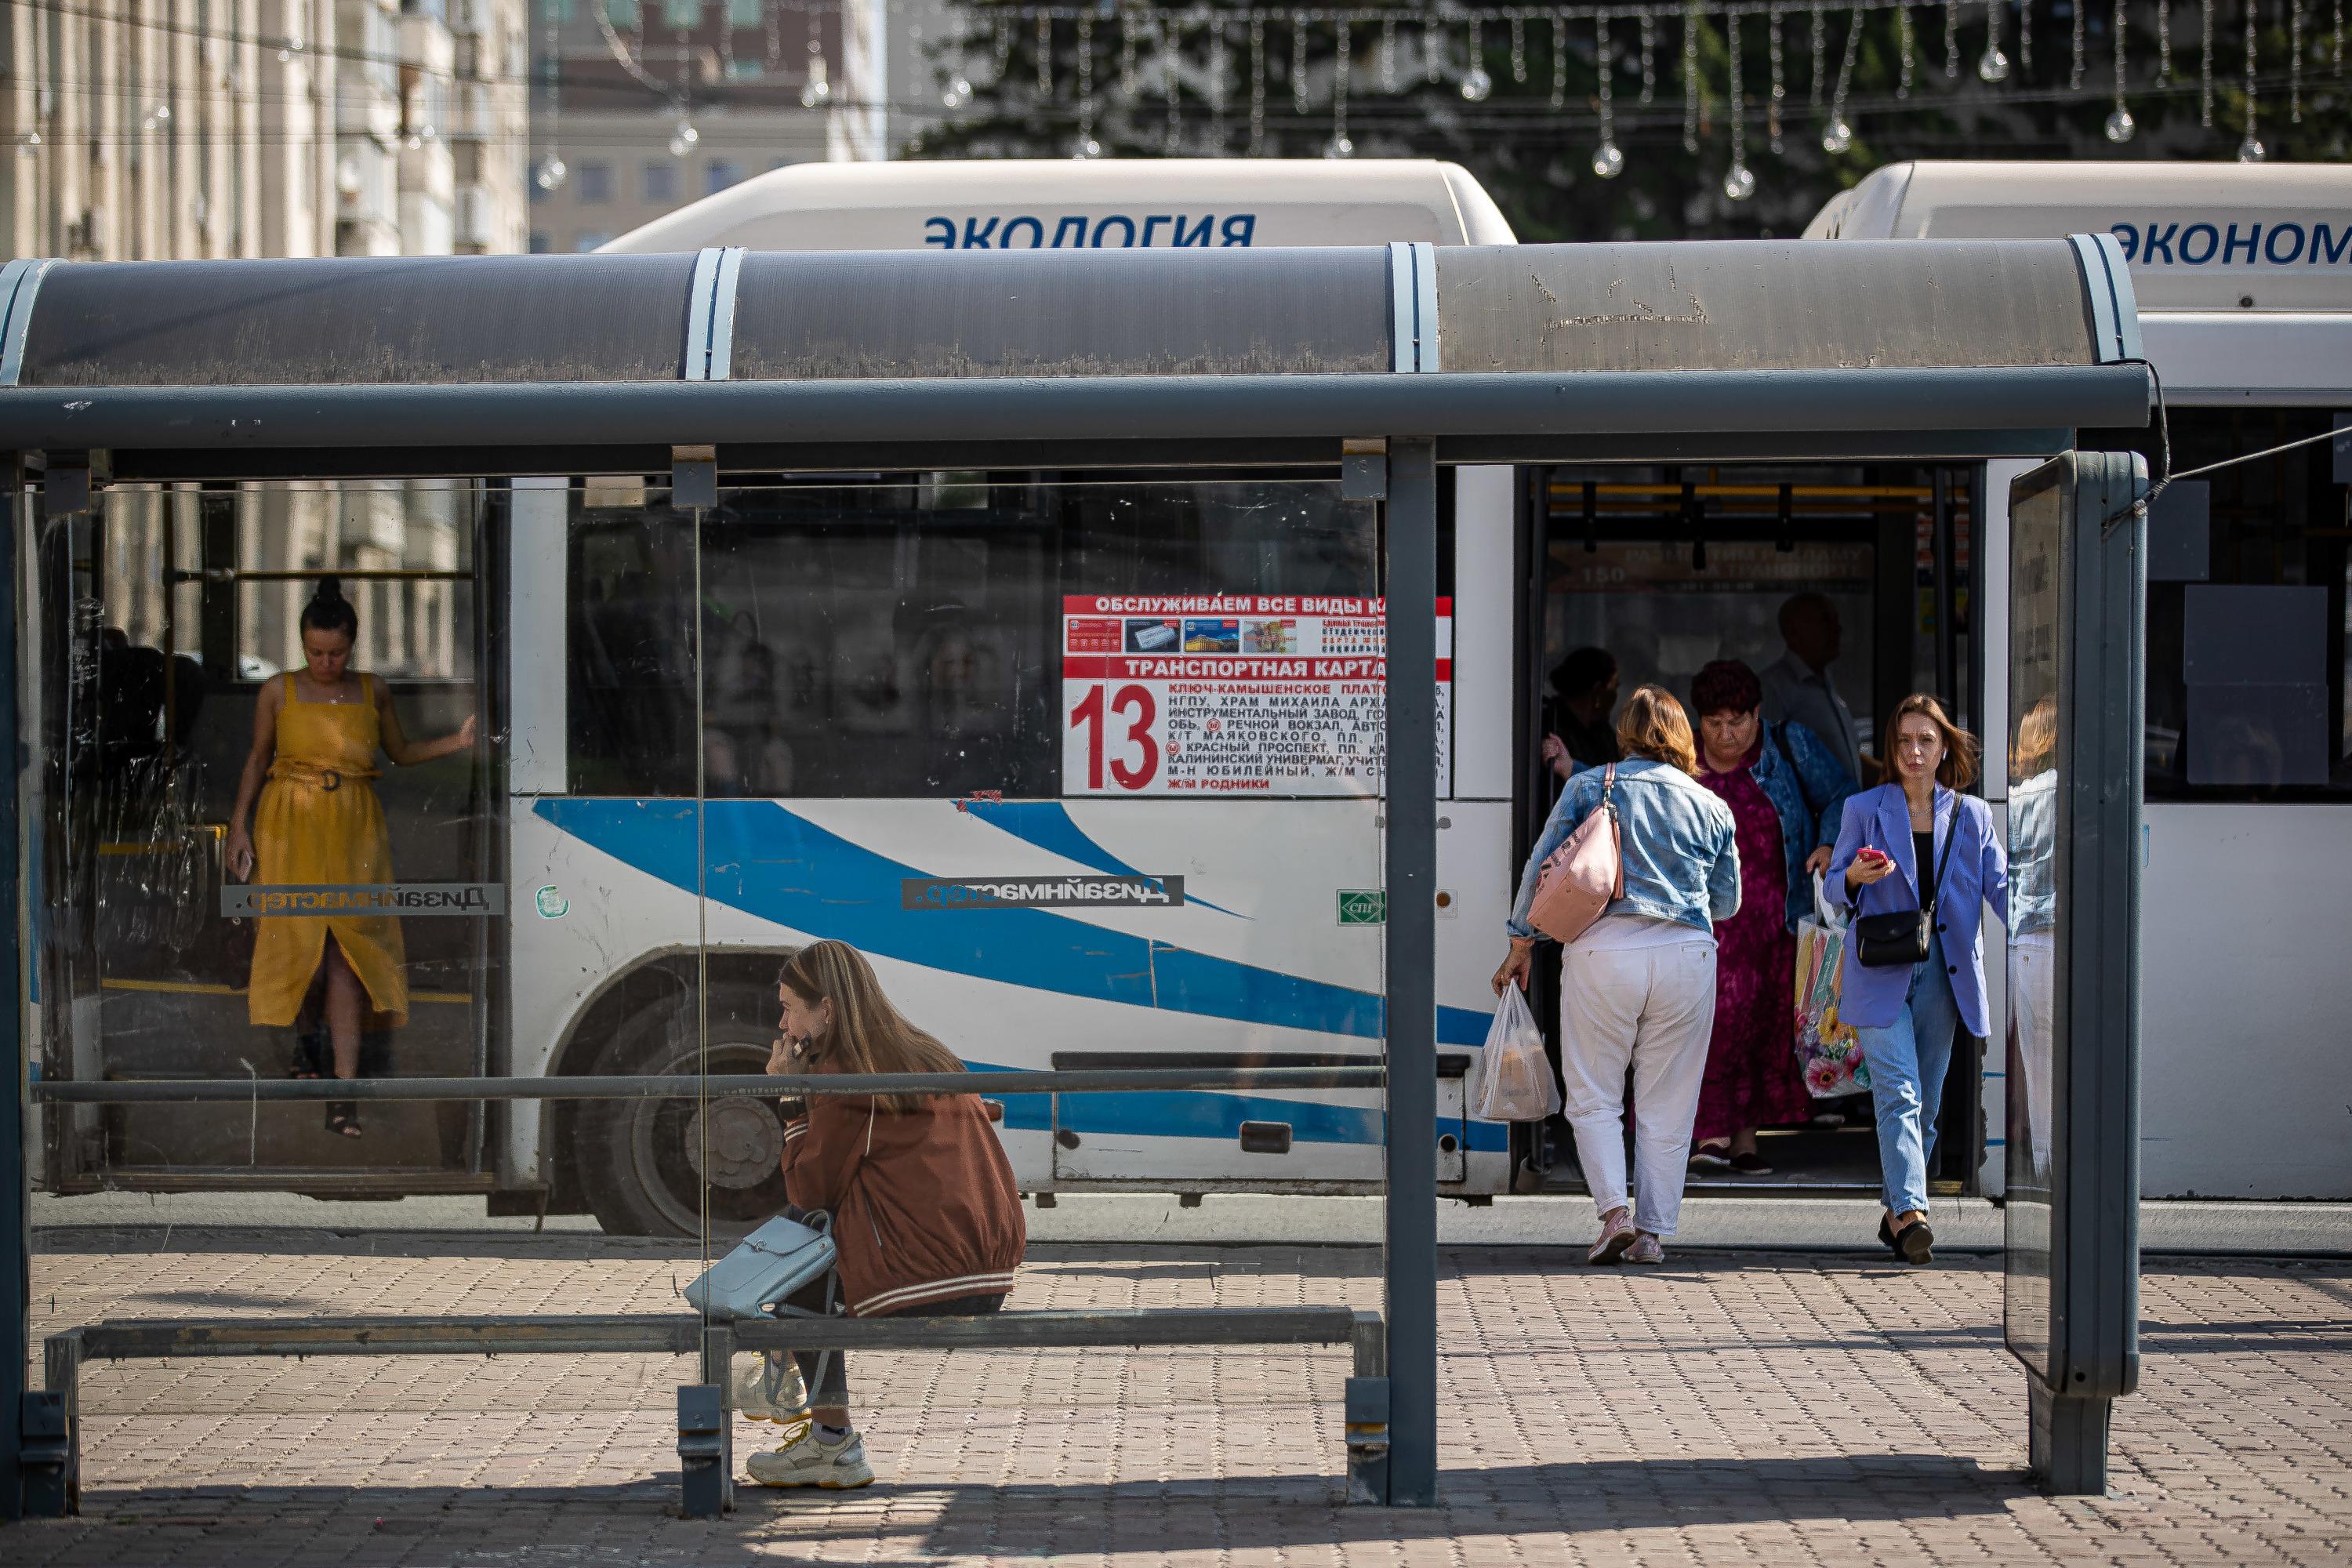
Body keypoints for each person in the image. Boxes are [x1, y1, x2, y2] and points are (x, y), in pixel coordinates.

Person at [747, 939, 1025, 1489]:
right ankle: (779, 1369)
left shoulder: (848, 1073)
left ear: (825, 1009)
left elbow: (812, 1188)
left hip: (928, 1274)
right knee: (805, 1248)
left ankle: (830, 1443)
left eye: (789, 1008)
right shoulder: (921, 1050)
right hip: (985, 1271)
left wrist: (789, 1099)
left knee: (799, 1275)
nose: (783, 1023)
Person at [1494, 686, 1740, 1266]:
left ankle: (1614, 1216)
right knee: (1668, 1103)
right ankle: (1652, 1234)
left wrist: (1519, 942)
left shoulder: (1590, 785)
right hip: (1687, 955)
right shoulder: (1712, 805)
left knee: (1595, 1094)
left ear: (1625, 731)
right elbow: (1726, 901)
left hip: (1604, 951)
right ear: (1685, 736)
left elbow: (1543, 864)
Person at [224, 579, 475, 1138]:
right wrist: (238, 826)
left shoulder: (373, 690)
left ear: (352, 645)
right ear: (302, 643)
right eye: (315, 651)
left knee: (347, 956)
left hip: (355, 829)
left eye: (335, 652)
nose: (325, 662)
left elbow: (403, 753)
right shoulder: (278, 691)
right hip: (289, 822)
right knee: (299, 948)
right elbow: (258, 756)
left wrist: (457, 743)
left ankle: (344, 1091)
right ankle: (306, 1046)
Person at [1823, 695, 2008, 1265]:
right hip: (1879, 969)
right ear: (1891, 748)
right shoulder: (1864, 808)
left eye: (1926, 740)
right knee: (1898, 1093)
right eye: (1904, 741)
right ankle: (1913, 1211)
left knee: (1924, 1106)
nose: (1914, 751)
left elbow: (2002, 888)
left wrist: (2047, 931)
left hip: (1944, 976)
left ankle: (1896, 1214)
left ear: (1944, 746)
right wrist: (1852, 875)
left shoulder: (1973, 816)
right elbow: (1833, 891)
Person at [1685, 660, 1860, 1174]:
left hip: (1774, 924)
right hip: (1705, 925)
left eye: (1737, 722)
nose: (1725, 735)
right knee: (1709, 1025)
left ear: (1758, 714)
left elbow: (1841, 793)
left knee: (1762, 1030)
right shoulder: (1681, 755)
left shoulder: (1790, 747)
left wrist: (1829, 841)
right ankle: (1706, 1134)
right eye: (1713, 723)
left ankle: (1744, 1142)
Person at [1760, 593, 1866, 783]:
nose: (1838, 629)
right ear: (1794, 633)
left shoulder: (1826, 682)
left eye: (1836, 620)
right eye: (1825, 621)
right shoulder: (1772, 688)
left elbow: (1845, 756)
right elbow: (1769, 768)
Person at [1540, 646, 1621, 781]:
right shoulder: (1552, 728)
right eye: (1614, 688)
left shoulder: (1602, 733)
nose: (1615, 696)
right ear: (1598, 690)